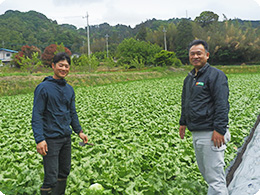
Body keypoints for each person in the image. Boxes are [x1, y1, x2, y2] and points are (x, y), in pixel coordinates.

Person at [32, 52, 88, 195]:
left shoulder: (69, 89)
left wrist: (79, 131)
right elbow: (37, 115)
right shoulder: (43, 88)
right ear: (53, 66)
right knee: (51, 177)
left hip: (65, 138)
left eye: (66, 66)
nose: (64, 69)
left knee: (64, 172)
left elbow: (72, 113)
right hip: (50, 139)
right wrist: (40, 139)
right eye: (61, 65)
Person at [179, 39, 231, 194]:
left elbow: (222, 104)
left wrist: (219, 130)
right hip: (197, 132)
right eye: (192, 54)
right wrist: (183, 122)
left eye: (199, 53)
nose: (195, 56)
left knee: (215, 177)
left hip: (211, 133)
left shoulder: (216, 75)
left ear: (207, 55)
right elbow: (185, 102)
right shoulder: (190, 78)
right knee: (208, 175)